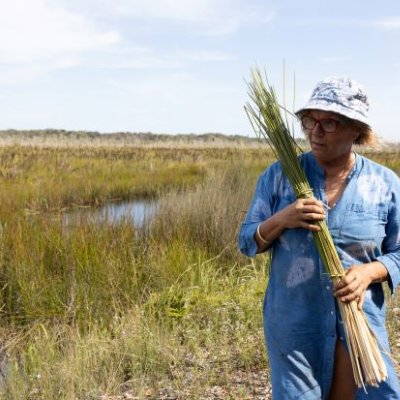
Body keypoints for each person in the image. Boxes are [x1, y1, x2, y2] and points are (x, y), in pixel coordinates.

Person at [239, 77, 400, 399]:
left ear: (356, 129)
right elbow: (247, 241)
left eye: (329, 122)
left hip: (360, 321)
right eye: (310, 121)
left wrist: (370, 272)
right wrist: (281, 219)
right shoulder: (278, 177)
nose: (315, 131)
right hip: (295, 324)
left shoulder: (385, 184)